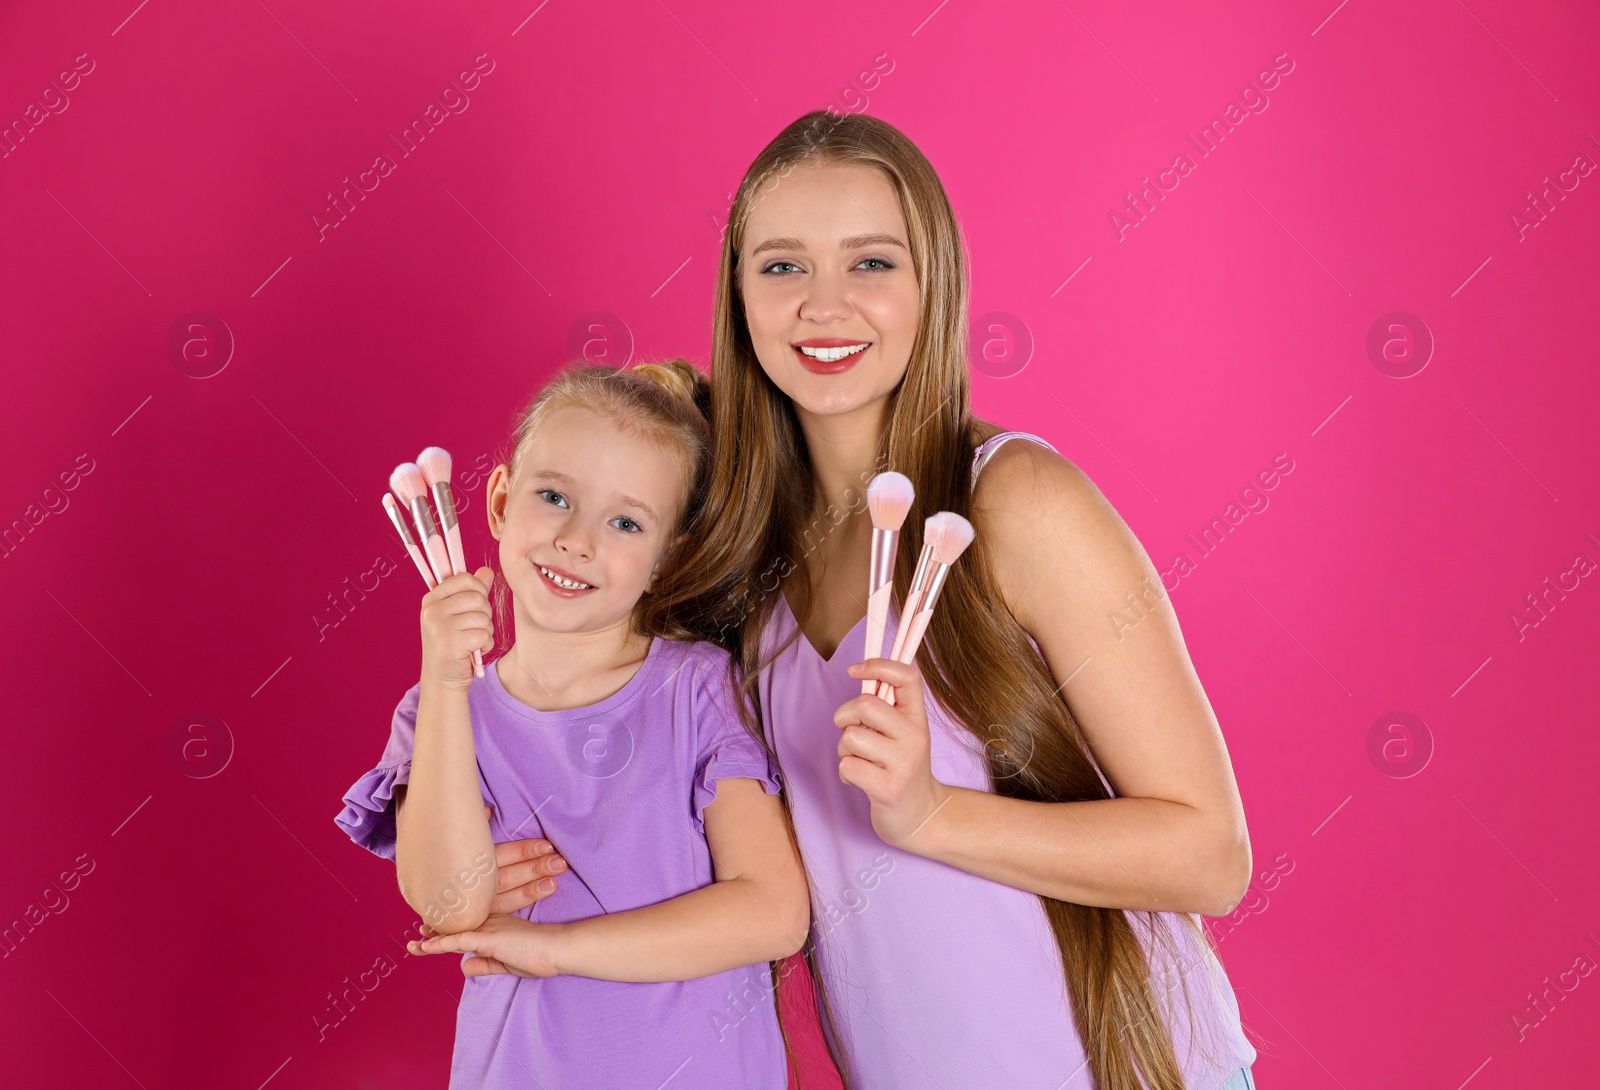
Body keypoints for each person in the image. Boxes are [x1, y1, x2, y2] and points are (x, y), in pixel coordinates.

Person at [646, 111, 1263, 1090]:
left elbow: (1209, 853)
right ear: (737, 294)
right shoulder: (745, 576)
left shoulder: (1012, 499)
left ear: (932, 285)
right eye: (781, 266)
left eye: (871, 263)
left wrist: (934, 814)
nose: (824, 305)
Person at [334, 359, 808, 1089]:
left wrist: (556, 948)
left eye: (625, 522)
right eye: (554, 496)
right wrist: (444, 677)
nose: (577, 540)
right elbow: (448, 901)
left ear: (666, 557)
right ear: (498, 501)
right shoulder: (439, 713)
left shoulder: (696, 690)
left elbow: (775, 913)